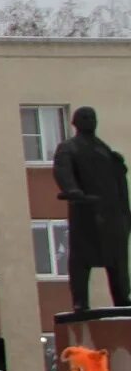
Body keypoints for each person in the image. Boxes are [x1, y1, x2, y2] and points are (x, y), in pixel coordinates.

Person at [53, 106, 129, 311]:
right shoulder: (69, 147)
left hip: (112, 213)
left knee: (117, 259)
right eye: (84, 117)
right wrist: (72, 190)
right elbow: (63, 169)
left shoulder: (103, 148)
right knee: (81, 259)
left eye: (92, 117)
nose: (89, 120)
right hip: (87, 211)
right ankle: (80, 301)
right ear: (75, 122)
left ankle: (122, 297)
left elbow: (118, 182)